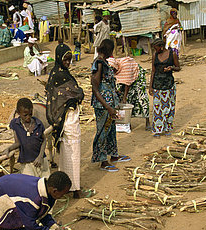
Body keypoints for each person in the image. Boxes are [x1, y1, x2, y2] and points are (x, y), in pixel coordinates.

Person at [46, 45, 93, 198]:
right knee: (72, 154)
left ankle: (65, 187)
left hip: (65, 120)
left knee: (67, 154)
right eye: (65, 59)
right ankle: (76, 189)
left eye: (69, 59)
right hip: (67, 120)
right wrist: (78, 93)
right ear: (59, 58)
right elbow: (75, 93)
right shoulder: (59, 75)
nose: (67, 62)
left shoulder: (59, 73)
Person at [90, 39, 131, 172]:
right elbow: (95, 88)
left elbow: (106, 84)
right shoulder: (98, 63)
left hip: (109, 104)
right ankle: (102, 161)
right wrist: (108, 106)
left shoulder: (104, 63)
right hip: (103, 106)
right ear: (108, 50)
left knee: (111, 130)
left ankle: (114, 155)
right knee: (102, 131)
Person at [7, 98, 52, 178]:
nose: (28, 117)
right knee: (30, 184)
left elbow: (44, 140)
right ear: (18, 113)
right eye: (25, 115)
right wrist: (8, 149)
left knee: (44, 184)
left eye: (30, 114)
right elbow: (17, 143)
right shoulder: (15, 124)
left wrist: (40, 157)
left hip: (40, 161)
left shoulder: (38, 124)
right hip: (26, 162)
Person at [108, 56, 151, 129]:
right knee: (122, 97)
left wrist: (125, 97)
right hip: (127, 78)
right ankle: (127, 122)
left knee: (141, 97)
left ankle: (147, 121)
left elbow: (127, 83)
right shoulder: (113, 67)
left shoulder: (125, 66)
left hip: (137, 76)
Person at [149, 38, 180, 136]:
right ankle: (157, 130)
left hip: (169, 84)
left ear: (161, 47)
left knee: (169, 107)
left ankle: (167, 128)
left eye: (156, 48)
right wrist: (150, 86)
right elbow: (153, 71)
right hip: (157, 84)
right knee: (157, 107)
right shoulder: (155, 55)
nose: (155, 50)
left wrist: (171, 68)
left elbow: (178, 67)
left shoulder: (172, 54)